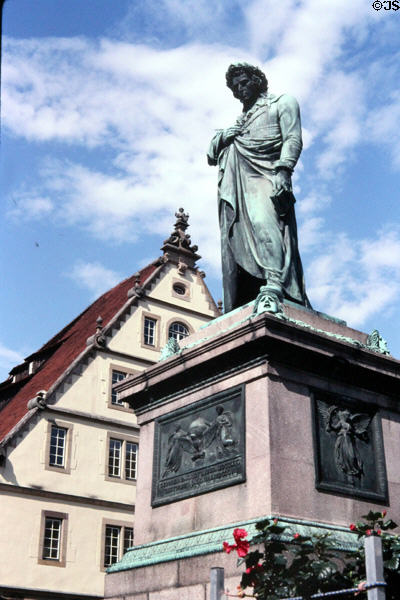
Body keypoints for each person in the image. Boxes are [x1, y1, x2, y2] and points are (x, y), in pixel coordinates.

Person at [208, 63, 311, 313]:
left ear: (257, 80)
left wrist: (284, 170)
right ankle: (250, 291)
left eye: (243, 83)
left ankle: (276, 281)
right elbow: (211, 154)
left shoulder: (282, 102)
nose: (239, 90)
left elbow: (293, 138)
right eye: (235, 88)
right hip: (239, 181)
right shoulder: (240, 120)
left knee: (265, 223)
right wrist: (225, 136)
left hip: (267, 174)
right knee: (238, 237)